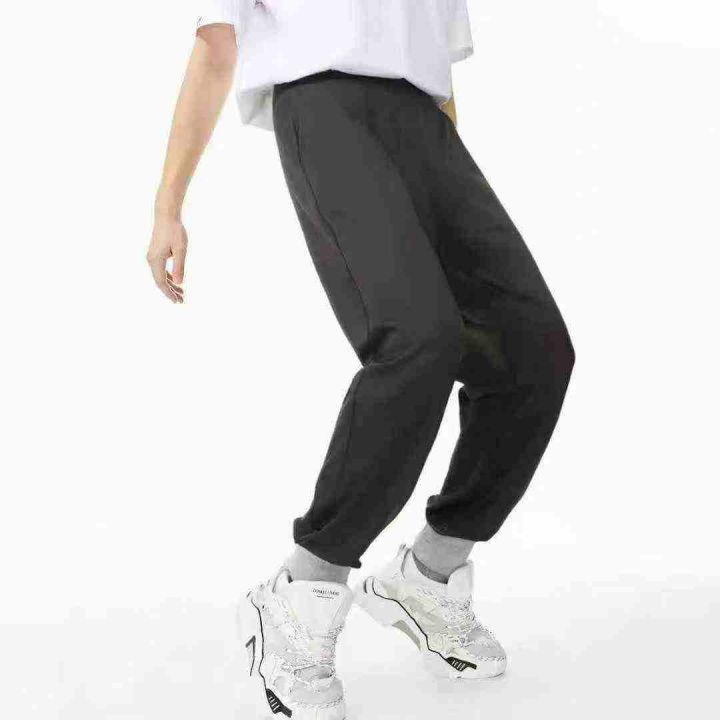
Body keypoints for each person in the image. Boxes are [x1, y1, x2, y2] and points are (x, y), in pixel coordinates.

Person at [146, 1, 575, 717]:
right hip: (324, 108)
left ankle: (428, 578)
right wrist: (169, 204)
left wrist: (447, 193)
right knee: (418, 340)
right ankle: (301, 592)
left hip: (425, 128)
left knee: (534, 347)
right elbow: (217, 48)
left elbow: (434, 65)